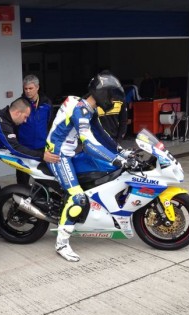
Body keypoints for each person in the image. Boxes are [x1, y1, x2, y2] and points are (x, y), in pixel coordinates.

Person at [45, 72, 132, 262]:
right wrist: (118, 160)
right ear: (102, 93)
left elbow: (101, 135)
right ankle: (61, 244)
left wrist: (121, 152)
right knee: (77, 198)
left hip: (70, 153)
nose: (112, 101)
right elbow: (90, 145)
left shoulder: (88, 109)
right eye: (111, 96)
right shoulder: (80, 110)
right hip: (58, 156)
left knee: (104, 168)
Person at [0, 98, 59, 238]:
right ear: (18, 112)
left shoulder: (6, 122)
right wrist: (41, 156)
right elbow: (15, 148)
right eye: (25, 117)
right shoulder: (0, 124)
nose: (26, 121)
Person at [17, 74, 53, 185]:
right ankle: (19, 199)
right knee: (23, 178)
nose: (28, 91)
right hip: (23, 148)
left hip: (41, 147)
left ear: (37, 87)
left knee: (42, 178)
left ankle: (41, 199)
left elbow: (50, 122)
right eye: (25, 88)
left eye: (30, 88)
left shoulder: (46, 102)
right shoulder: (19, 104)